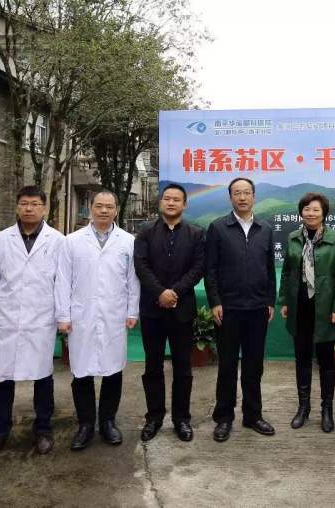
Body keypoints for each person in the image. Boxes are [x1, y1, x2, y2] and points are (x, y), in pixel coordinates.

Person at [0, 186, 64, 460]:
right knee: (2, 377)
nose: (29, 208)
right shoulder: (2, 239)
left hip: (41, 319)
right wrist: (7, 306)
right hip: (7, 318)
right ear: (17, 207)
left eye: (35, 204)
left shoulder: (57, 240)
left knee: (43, 376)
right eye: (24, 203)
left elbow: (61, 282)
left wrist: (60, 315)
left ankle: (43, 430)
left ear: (44, 208)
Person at [55, 190, 140, 450]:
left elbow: (133, 279)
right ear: (90, 208)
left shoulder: (128, 241)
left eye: (109, 207)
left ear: (116, 210)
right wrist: (64, 315)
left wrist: (132, 311)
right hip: (82, 315)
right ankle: (85, 424)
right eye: (99, 206)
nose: (104, 211)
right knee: (81, 371)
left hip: (114, 314)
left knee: (113, 370)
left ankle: (108, 422)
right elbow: (62, 280)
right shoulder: (72, 241)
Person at [204, 177, 276, 442]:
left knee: (254, 366)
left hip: (257, 308)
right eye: (237, 193)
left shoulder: (265, 228)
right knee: (227, 365)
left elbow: (270, 269)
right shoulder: (218, 227)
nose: (242, 197)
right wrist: (215, 301)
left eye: (247, 192)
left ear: (254, 196)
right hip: (228, 309)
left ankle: (253, 415)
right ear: (230, 197)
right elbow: (210, 269)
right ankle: (224, 418)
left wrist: (270, 301)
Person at [134, 183, 204, 443]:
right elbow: (141, 265)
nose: (171, 203)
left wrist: (174, 292)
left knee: (183, 368)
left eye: (176, 199)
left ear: (185, 204)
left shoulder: (196, 233)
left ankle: (181, 419)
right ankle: (154, 417)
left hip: (182, 311)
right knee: (152, 367)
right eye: (167, 198)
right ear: (161, 202)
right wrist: (160, 293)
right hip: (152, 311)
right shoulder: (145, 232)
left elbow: (198, 268)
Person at [278, 193, 335, 432]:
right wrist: (285, 301)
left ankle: (327, 410)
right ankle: (303, 408)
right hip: (300, 308)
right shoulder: (293, 237)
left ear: (324, 213)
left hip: (326, 310)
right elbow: (288, 271)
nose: (311, 213)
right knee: (302, 359)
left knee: (327, 361)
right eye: (306, 209)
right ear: (301, 212)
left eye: (316, 210)